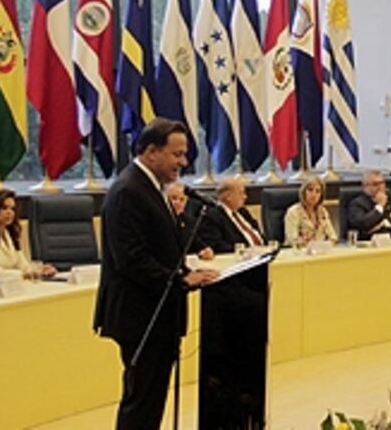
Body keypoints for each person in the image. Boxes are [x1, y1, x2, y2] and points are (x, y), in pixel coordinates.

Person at [93, 118, 219, 430]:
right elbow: (131, 258)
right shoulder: (128, 191)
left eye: (184, 154)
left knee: (152, 398)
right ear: (151, 152)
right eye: (176, 154)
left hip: (158, 310)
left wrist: (187, 271)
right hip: (140, 315)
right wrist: (179, 280)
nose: (183, 162)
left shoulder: (153, 187)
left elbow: (161, 246)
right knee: (142, 400)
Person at [0, 190, 56, 281]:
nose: (9, 212)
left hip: (7, 287)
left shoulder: (8, 232)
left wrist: (39, 270)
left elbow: (22, 265)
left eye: (12, 209)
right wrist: (26, 274)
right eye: (4, 208)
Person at [197, 178, 266, 254]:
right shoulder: (212, 216)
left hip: (263, 253)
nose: (245, 197)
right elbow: (217, 245)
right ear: (228, 197)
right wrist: (246, 251)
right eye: (241, 193)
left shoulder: (243, 212)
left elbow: (257, 233)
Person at [347, 170, 391, 241]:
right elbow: (364, 223)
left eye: (382, 183)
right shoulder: (356, 204)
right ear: (364, 187)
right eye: (375, 184)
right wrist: (380, 206)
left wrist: (384, 223)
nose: (380, 187)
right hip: (368, 243)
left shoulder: (390, 199)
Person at [163, 182, 214, 261]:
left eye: (182, 200)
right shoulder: (159, 220)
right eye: (173, 198)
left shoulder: (186, 221)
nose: (177, 203)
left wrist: (206, 250)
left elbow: (197, 243)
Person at [284, 177, 336, 248]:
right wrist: (303, 241)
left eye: (317, 191)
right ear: (304, 192)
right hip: (299, 253)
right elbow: (292, 240)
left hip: (320, 252)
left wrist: (325, 244)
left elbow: (333, 237)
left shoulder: (323, 212)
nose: (314, 194)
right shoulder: (293, 212)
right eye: (310, 190)